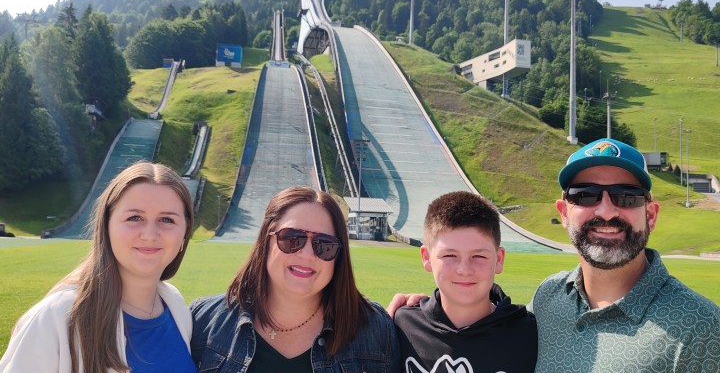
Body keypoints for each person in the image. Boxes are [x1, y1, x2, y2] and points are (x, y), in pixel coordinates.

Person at [529, 138, 720, 372]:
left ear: (650, 215)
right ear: (564, 213)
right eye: (585, 195)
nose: (606, 212)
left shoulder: (701, 325)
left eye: (627, 196)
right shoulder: (548, 296)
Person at [0, 161, 196, 373]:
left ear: (184, 234)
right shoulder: (58, 316)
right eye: (135, 217)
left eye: (167, 219)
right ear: (107, 226)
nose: (149, 234)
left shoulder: (177, 308)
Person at [190, 186, 400, 372]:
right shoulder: (203, 322)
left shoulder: (374, 329)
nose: (307, 255)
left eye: (324, 245)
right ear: (266, 240)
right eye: (291, 239)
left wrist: (421, 310)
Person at [393, 191, 537, 373]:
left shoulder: (530, 334)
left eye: (478, 256)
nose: (464, 270)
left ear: (499, 259)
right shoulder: (400, 326)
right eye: (450, 255)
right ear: (427, 257)